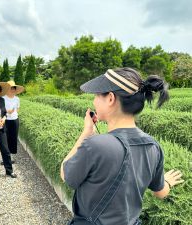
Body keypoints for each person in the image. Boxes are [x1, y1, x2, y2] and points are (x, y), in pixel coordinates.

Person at [60, 68, 184, 225]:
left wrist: (86, 133)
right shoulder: (153, 146)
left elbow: (65, 174)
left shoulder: (96, 145)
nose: (94, 101)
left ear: (110, 98)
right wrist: (166, 182)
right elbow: (160, 192)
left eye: (97, 95)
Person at [2, 80, 24, 163]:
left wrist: (15, 112)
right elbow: (1, 109)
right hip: (5, 120)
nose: (12, 89)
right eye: (11, 88)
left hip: (15, 120)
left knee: (13, 138)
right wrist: (7, 111)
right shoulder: (3, 98)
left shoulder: (17, 99)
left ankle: (10, 157)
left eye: (14, 88)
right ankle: (5, 158)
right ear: (7, 89)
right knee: (5, 139)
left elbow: (18, 108)